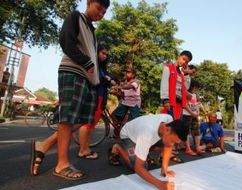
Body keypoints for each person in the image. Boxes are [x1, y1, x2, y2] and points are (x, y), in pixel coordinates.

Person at [30, 0, 110, 180]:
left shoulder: (92, 30)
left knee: (84, 119)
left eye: (104, 12)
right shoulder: (76, 17)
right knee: (67, 119)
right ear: (89, 2)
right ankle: (62, 165)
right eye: (99, 8)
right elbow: (66, 41)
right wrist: (87, 62)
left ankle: (44, 145)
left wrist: (98, 78)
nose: (100, 14)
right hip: (73, 72)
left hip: (88, 79)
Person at [108, 114, 189, 190]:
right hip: (128, 135)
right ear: (168, 130)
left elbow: (168, 146)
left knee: (165, 144)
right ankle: (117, 148)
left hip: (141, 133)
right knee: (140, 166)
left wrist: (164, 171)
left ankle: (142, 149)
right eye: (172, 141)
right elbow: (138, 168)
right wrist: (160, 184)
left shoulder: (169, 120)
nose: (173, 145)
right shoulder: (147, 134)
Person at [78, 44, 115, 159]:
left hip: (100, 97)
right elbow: (94, 78)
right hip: (93, 95)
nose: (105, 56)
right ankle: (82, 150)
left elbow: (107, 79)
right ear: (97, 52)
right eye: (102, 53)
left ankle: (86, 148)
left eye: (106, 54)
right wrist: (106, 79)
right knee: (87, 123)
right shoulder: (93, 64)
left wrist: (110, 80)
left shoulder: (103, 68)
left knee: (92, 124)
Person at [160, 50, 193, 120]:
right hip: (170, 103)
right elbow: (164, 84)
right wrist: (165, 100)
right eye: (183, 59)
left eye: (186, 62)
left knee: (177, 127)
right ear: (179, 56)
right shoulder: (168, 68)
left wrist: (186, 74)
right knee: (170, 125)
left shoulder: (181, 74)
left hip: (180, 104)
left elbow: (186, 88)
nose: (184, 62)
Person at [183, 80, 205, 155]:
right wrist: (192, 113)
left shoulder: (195, 95)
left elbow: (196, 104)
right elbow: (184, 105)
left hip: (194, 115)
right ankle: (188, 149)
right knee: (186, 132)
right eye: (196, 88)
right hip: (186, 115)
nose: (197, 90)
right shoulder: (186, 93)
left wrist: (197, 112)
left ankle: (198, 148)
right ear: (191, 86)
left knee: (196, 131)